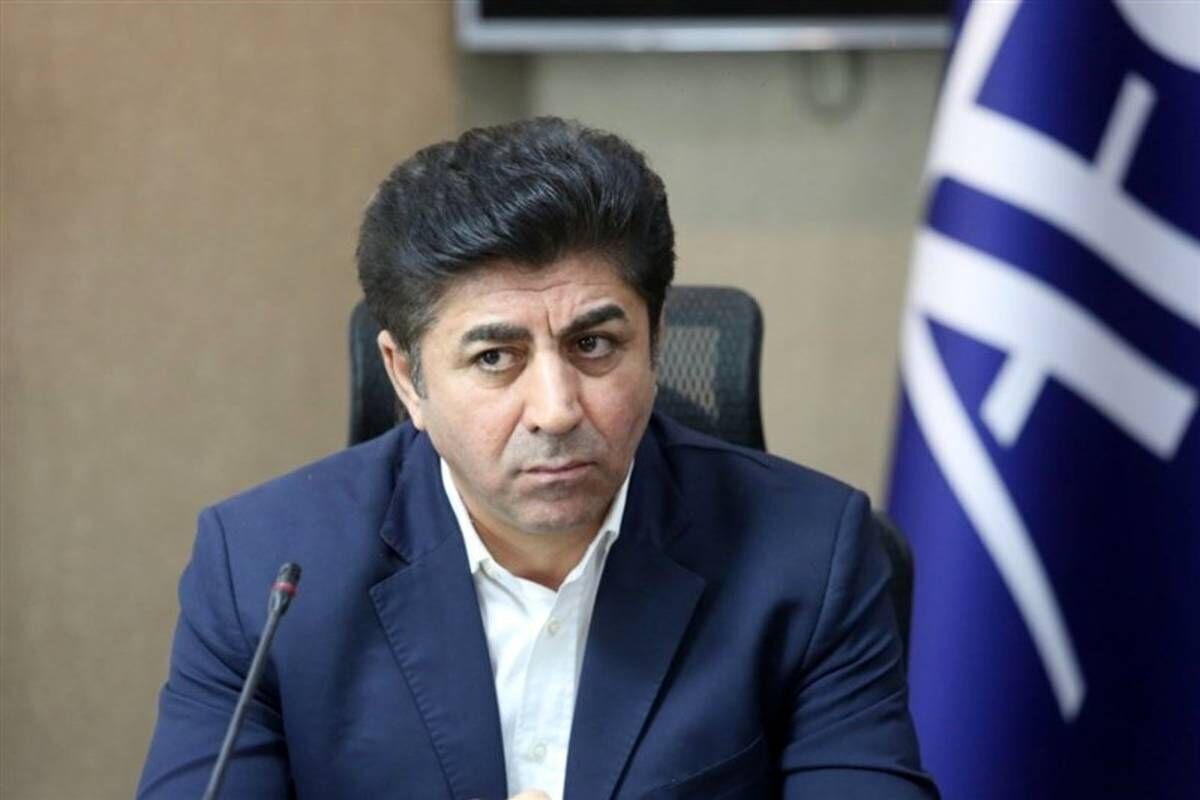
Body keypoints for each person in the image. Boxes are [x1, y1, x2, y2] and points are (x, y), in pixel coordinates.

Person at [138, 117, 937, 799]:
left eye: (594, 345)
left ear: (656, 344)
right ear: (406, 377)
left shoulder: (809, 556)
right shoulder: (265, 572)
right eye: (494, 358)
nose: (556, 409)